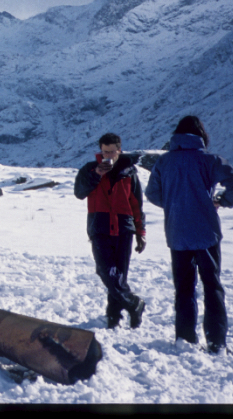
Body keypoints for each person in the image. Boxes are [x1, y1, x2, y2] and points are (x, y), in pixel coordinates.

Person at [146, 115, 233, 354]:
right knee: (212, 286)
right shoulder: (210, 160)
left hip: (177, 232)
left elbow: (151, 193)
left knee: (184, 287)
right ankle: (216, 342)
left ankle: (185, 339)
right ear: (201, 136)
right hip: (206, 232)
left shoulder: (164, 162)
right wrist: (222, 201)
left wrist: (174, 204)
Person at [74, 132, 147, 330]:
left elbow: (136, 204)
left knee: (119, 275)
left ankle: (114, 318)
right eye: (104, 151)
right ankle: (133, 303)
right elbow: (79, 193)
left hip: (124, 228)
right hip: (99, 227)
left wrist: (141, 232)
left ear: (119, 150)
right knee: (105, 270)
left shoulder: (129, 172)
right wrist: (96, 175)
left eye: (111, 152)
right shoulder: (90, 169)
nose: (107, 155)